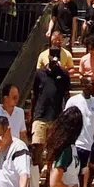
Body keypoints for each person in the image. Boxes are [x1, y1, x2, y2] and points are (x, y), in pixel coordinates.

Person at [31, 42, 72, 170]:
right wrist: (31, 114)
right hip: (40, 115)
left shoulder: (64, 75)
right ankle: (37, 173)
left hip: (56, 116)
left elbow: (66, 94)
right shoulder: (39, 74)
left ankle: (49, 177)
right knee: (37, 147)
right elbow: (35, 94)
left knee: (52, 149)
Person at [66, 74, 94, 187]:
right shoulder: (73, 101)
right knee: (75, 173)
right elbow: (66, 122)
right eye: (90, 84)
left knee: (88, 171)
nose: (92, 87)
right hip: (76, 144)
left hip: (90, 145)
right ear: (83, 85)